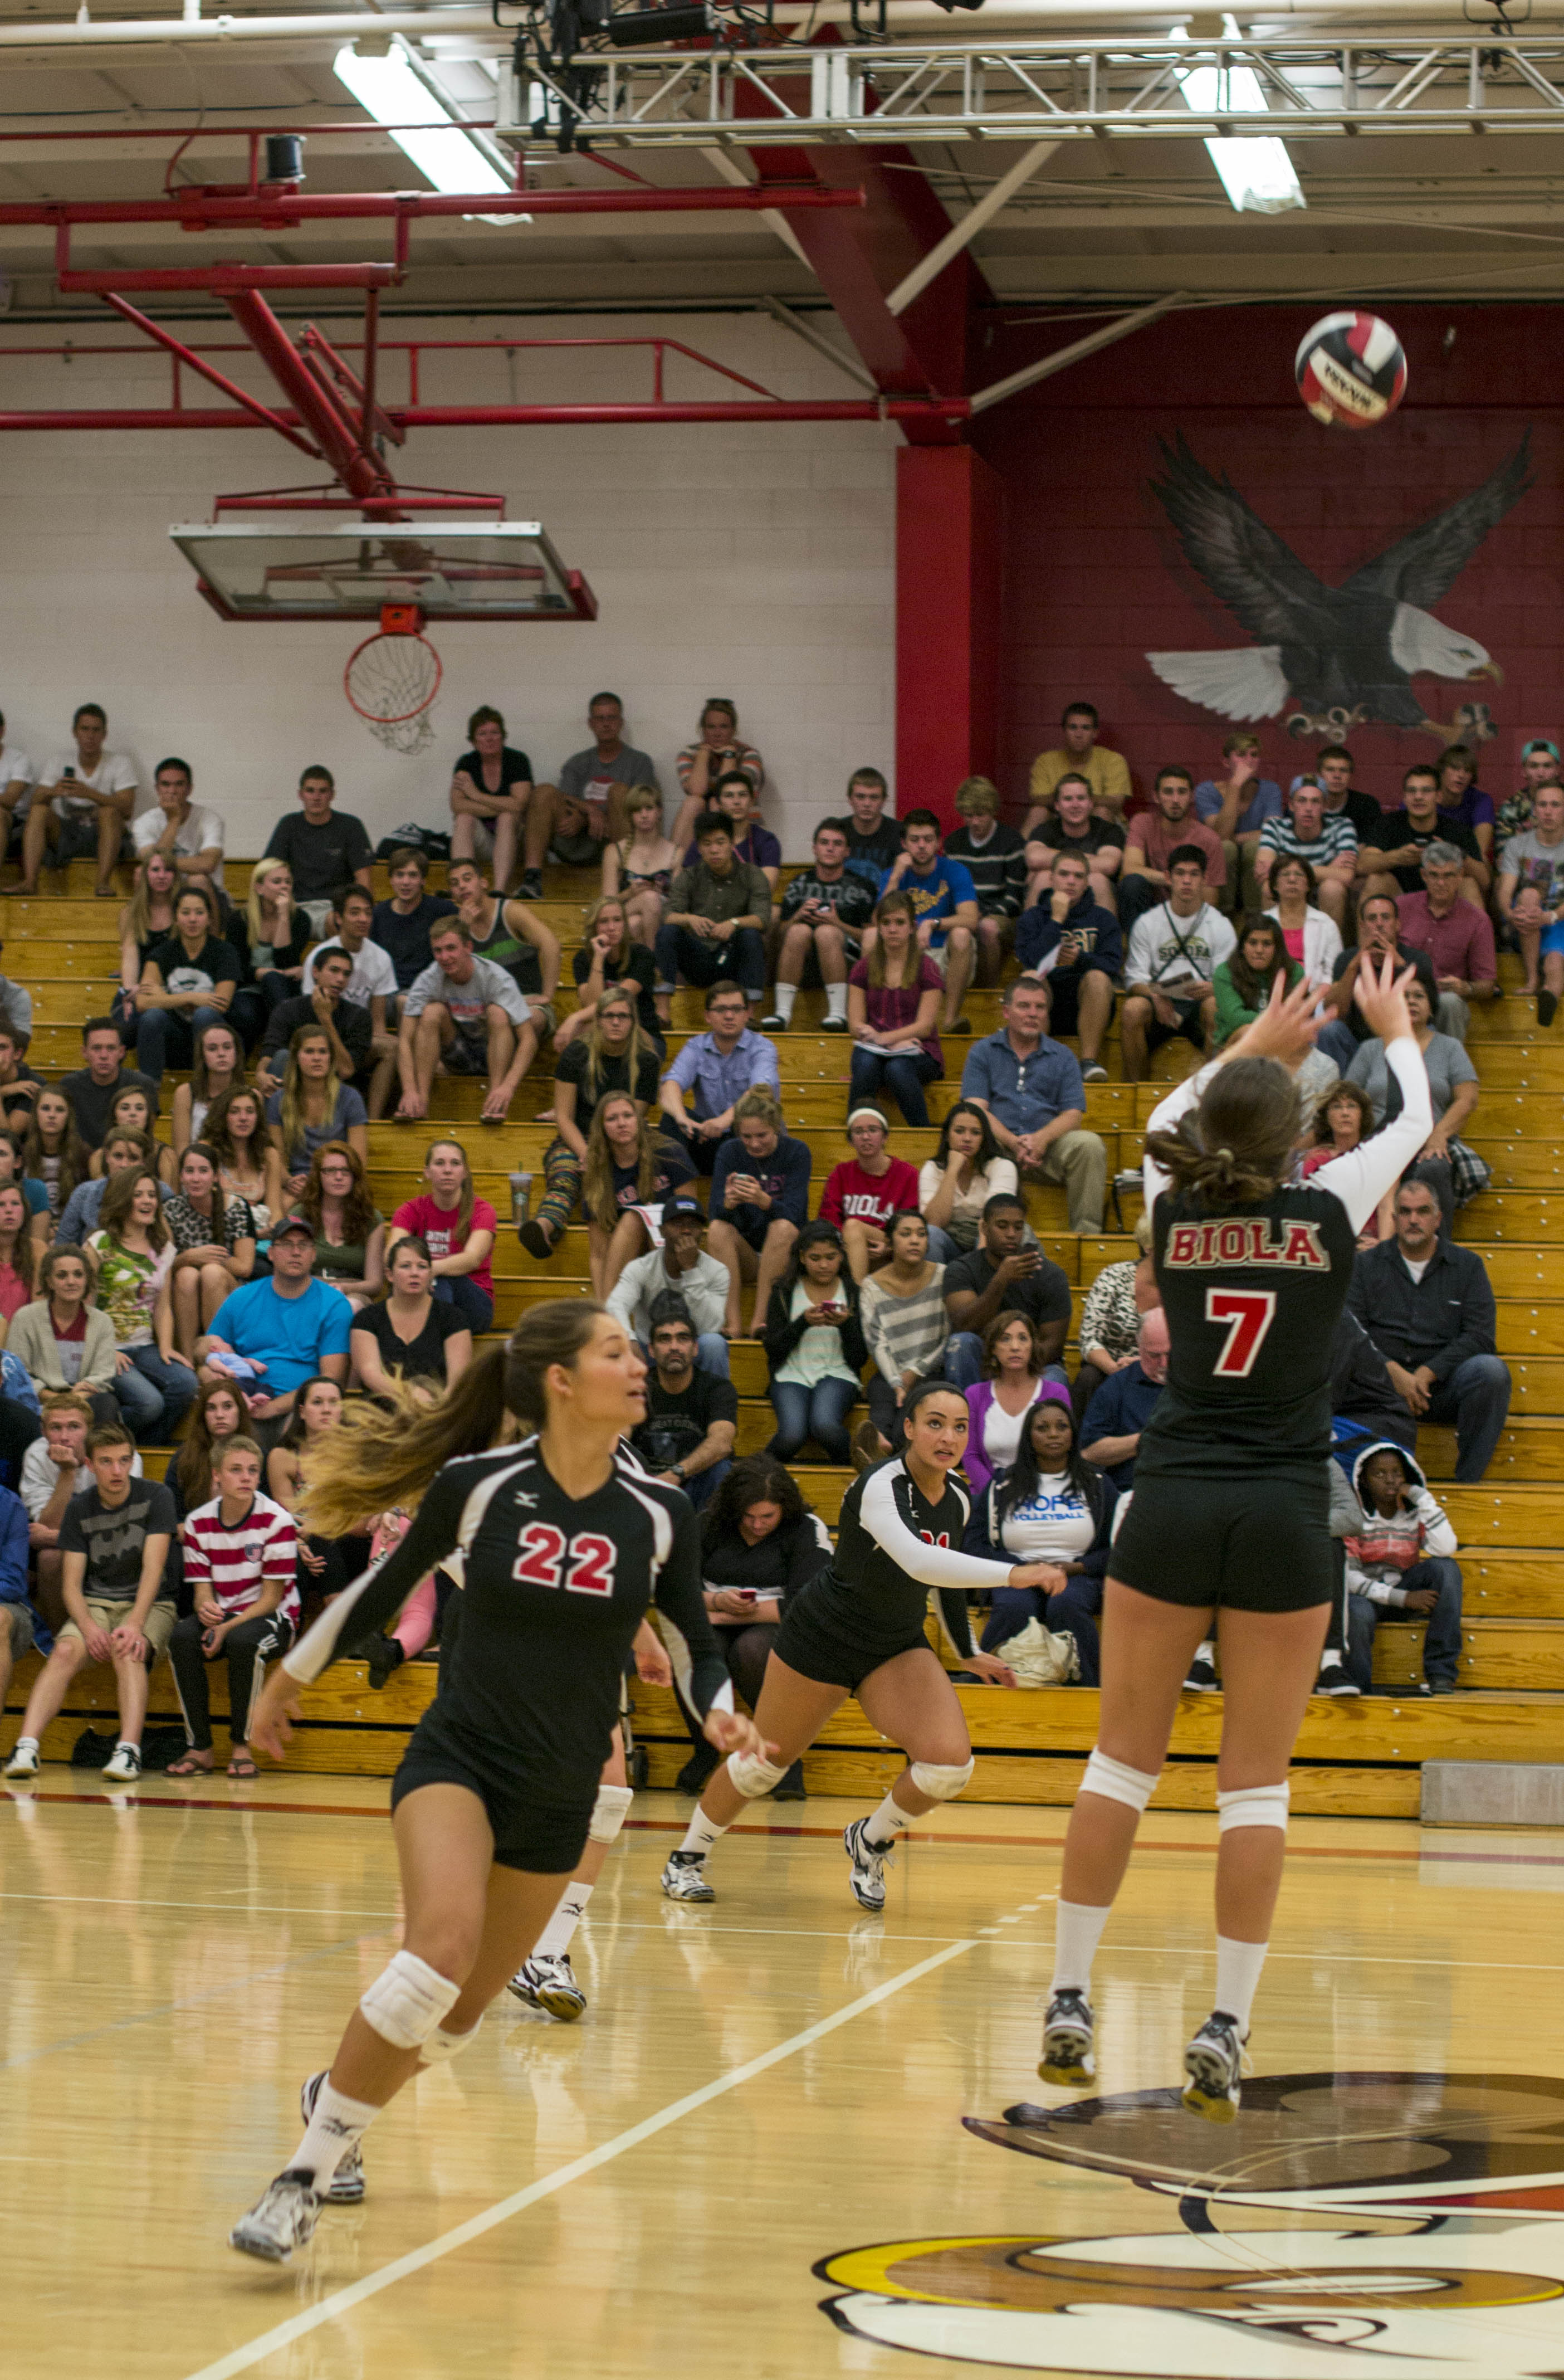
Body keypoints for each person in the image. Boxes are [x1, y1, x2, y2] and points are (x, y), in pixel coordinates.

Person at [227, 1301, 766, 2263]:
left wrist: (716, 1707)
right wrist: (290, 1675)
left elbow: (688, 1636)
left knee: (461, 2013)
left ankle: (333, 2102)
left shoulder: (659, 1511)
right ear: (561, 1380)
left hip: (560, 1793)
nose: (637, 1364)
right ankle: (298, 2179)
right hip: (460, 1760)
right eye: (615, 1351)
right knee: (436, 1947)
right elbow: (377, 1592)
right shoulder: (478, 1486)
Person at [1037, 960, 1429, 2120]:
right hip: (1278, 1516)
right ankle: (1227, 2023)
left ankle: (1068, 1997)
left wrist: (1258, 1036)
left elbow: (1166, 1119)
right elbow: (1408, 1122)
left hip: (1173, 1499)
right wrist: (1395, 1028)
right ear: (1298, 1141)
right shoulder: (1329, 1209)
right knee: (1254, 1786)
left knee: (1122, 1763)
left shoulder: (1176, 1206)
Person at [662, 1378, 1033, 1910]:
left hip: (893, 1643)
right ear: (907, 1428)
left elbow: (943, 1580)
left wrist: (966, 1650)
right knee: (764, 1764)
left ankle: (870, 1839)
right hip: (824, 1636)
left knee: (949, 1765)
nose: (948, 1436)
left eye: (959, 1427)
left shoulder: (957, 1495)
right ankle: (687, 1858)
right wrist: (1014, 1575)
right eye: (934, 1423)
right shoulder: (878, 1485)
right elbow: (919, 1561)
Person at [4, 1419, 176, 1786]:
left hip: (150, 1603)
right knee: (64, 1652)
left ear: (132, 1461)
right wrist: (86, 1626)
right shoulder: (81, 1507)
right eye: (107, 1462)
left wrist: (133, 1623)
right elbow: (70, 1586)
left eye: (124, 1461)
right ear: (90, 1465)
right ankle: (26, 1746)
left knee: (128, 1649)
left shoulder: (156, 1496)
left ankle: (128, 1750)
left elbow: (153, 1569)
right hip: (95, 1601)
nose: (117, 1470)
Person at [670, 1457, 830, 1796]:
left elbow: (809, 1604)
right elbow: (675, 1588)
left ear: (784, 1509)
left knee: (753, 1650)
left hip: (779, 1622)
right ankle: (705, 1746)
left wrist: (727, 1614)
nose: (758, 1525)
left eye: (768, 1517)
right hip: (714, 1610)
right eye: (749, 1517)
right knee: (697, 1650)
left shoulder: (806, 1528)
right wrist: (714, 1603)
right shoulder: (707, 1524)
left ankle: (782, 1756)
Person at [1348, 1177, 1512, 1481]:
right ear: (1394, 1219)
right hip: (1381, 1387)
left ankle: (1469, 1483)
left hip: (1441, 1387)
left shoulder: (1468, 1266)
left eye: (1422, 1211)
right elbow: (1352, 1332)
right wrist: (1394, 1373)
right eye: (1406, 1212)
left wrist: (1426, 1374)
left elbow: (1480, 1336)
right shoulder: (1365, 1266)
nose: (1413, 1220)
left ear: (1438, 1219)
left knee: (1491, 1372)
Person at [167, 1436, 300, 1778]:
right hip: (226, 1613)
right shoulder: (198, 1522)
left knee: (244, 1643)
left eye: (253, 1471)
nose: (246, 1478)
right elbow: (201, 1592)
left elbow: (271, 1600)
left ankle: (242, 1747)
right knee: (181, 1637)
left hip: (272, 1617)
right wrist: (206, 1610)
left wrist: (224, 1628)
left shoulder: (277, 1521)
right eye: (236, 1470)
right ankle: (200, 1747)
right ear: (217, 1476)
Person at [974, 1388, 1118, 1684]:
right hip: (1015, 1574)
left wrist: (1079, 1567)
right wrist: (1019, 1569)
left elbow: (1122, 1547)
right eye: (1043, 1428)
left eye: (1061, 1427)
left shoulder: (1099, 1485)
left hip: (1076, 1575)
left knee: (1066, 1603)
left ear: (1072, 1434)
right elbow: (974, 1544)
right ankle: (983, 1686)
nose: (1053, 1434)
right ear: (1029, 1437)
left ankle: (1090, 1691)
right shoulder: (1002, 1485)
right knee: (1015, 1606)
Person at [961, 974, 1107, 1233]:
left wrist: (1041, 1140)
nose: (1033, 1014)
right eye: (1024, 1006)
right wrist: (1012, 1141)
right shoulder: (983, 1051)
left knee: (1089, 1145)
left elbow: (1073, 1114)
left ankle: (1087, 1236)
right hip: (997, 1148)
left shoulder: (1063, 1056)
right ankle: (973, 1234)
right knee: (966, 1135)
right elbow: (975, 1108)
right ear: (1007, 1012)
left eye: (1040, 1007)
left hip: (1047, 1150)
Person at [524, 988, 661, 1257]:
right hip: (578, 1140)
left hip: (624, 1140)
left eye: (623, 1016)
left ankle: (647, 1240)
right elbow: (563, 1116)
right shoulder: (577, 1053)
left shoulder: (647, 1061)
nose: (616, 1022)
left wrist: (605, 1152)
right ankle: (542, 1226)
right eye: (609, 1015)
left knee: (645, 1169)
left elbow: (633, 1118)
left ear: (633, 1021)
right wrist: (587, 1152)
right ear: (598, 1020)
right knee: (565, 1173)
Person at [197, 1215, 353, 1446]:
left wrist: (273, 1408)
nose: (296, 1252)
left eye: (304, 1246)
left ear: (314, 1255)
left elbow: (332, 1379)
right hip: (245, 1405)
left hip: (299, 1410)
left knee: (314, 1416)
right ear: (270, 1253)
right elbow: (208, 1350)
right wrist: (210, 1374)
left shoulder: (334, 1304)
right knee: (218, 1411)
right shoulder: (242, 1298)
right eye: (287, 1245)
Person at [1347, 973, 1484, 1235]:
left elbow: (1468, 1099)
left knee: (1435, 1166)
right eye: (1403, 996)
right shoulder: (1370, 1050)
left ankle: (1437, 1255)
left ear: (1432, 1007)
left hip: (1428, 1142)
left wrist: (1439, 1136)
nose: (1411, 1002)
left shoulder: (1450, 1048)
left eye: (1419, 996)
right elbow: (1348, 1097)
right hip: (1377, 1141)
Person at [1341, 1439, 1462, 1697]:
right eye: (1380, 1474)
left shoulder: (1414, 1512)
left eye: (1397, 1473)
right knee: (1355, 1609)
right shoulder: (1353, 1515)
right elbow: (1349, 1578)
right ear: (1364, 1480)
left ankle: (1441, 1672)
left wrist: (1422, 1498)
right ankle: (1359, 1687)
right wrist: (1403, 1598)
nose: (1390, 1480)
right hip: (1366, 1600)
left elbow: (1446, 1548)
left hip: (1406, 1589)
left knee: (1446, 1568)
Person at [396, 918, 544, 1128]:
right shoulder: (429, 978)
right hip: (456, 1052)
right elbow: (404, 1039)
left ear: (468, 947)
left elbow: (528, 1039)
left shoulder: (496, 978)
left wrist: (508, 1087)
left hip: (494, 1053)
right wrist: (409, 1090)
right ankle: (420, 1103)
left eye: (451, 949)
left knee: (498, 1013)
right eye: (438, 951)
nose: (445, 957)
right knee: (431, 1012)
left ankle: (494, 1104)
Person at [86, 1169, 197, 1441]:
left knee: (186, 1384)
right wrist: (104, 1350)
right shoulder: (100, 1243)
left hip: (145, 1345)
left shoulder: (163, 1249)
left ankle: (146, 1447)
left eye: (152, 1195)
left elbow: (163, 1306)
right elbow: (84, 1305)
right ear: (124, 1200)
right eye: (139, 1195)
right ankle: (109, 1440)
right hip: (106, 1347)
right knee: (150, 1403)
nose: (147, 1201)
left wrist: (167, 1347)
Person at [18, 1391, 136, 1632]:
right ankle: (59, 1634)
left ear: (90, 1431)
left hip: (119, 1546)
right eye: (56, 1428)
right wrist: (68, 1473)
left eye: (74, 1427)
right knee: (49, 1558)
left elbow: (121, 1529)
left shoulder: (117, 1455)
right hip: (75, 1545)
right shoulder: (36, 1455)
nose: (64, 1437)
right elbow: (49, 1524)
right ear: (43, 1432)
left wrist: (54, 1537)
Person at [1121, 849, 1238, 1084]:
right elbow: (1134, 980)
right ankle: (1135, 1091)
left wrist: (1214, 988)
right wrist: (1155, 995)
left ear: (1205, 880)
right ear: (1168, 877)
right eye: (1180, 873)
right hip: (1160, 1001)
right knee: (1133, 1009)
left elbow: (1227, 979)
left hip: (1198, 1005)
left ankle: (1210, 1092)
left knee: (1216, 1006)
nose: (1187, 881)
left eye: (1194, 874)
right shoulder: (1148, 922)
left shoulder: (1221, 925)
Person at [706, 1087, 811, 1339]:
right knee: (718, 1229)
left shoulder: (797, 1152)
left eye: (762, 1135)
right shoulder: (730, 1152)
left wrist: (765, 1201)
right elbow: (714, 1214)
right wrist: (729, 1204)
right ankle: (732, 1323)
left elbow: (797, 1215)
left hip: (786, 1251)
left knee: (783, 1227)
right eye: (747, 1136)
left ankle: (761, 1322)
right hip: (748, 1255)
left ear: (776, 1127)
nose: (754, 1143)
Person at [943, 1191, 1072, 1391]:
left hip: (1033, 1364)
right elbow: (965, 1325)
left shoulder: (1050, 1274)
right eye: (1002, 1226)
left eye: (1018, 1227)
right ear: (985, 1228)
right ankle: (967, 1417)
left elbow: (1053, 1344)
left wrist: (1013, 1372)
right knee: (962, 1343)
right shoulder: (961, 1269)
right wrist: (1000, 1281)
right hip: (982, 1362)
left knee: (1055, 1380)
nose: (1011, 1234)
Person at [1013, 848, 1121, 1082]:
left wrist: (1081, 959)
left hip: (1090, 1004)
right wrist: (1056, 920)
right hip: (1047, 1002)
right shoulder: (1033, 918)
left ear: (1086, 883)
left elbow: (1113, 966)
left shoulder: (1103, 919)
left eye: (1078, 876)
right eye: (1064, 874)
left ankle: (1088, 1063)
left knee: (1098, 977)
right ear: (1051, 879)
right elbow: (1028, 960)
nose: (1071, 881)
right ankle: (1036, 1061)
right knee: (1031, 977)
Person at [762, 1220, 864, 1465]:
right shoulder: (784, 1291)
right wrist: (803, 1323)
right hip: (791, 1374)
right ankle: (758, 1473)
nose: (824, 1265)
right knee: (791, 1436)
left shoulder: (853, 1292)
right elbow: (772, 1348)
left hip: (838, 1373)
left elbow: (860, 1357)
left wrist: (845, 1325)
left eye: (831, 1257)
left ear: (841, 1256)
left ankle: (859, 1469)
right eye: (815, 1258)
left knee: (825, 1426)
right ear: (802, 1258)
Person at [764, 816, 877, 1033]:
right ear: (815, 848)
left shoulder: (862, 886)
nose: (830, 849)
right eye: (824, 843)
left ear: (847, 851)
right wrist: (797, 916)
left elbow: (870, 938)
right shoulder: (799, 884)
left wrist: (838, 924)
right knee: (798, 930)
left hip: (847, 960)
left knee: (826, 932)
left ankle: (838, 1014)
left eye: (837, 844)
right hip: (802, 960)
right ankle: (783, 1013)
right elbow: (779, 935)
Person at [653, 813, 772, 1021]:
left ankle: (750, 1016)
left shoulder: (752, 874)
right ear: (699, 848)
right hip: (699, 959)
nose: (714, 850)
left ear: (732, 843)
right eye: (707, 844)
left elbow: (762, 918)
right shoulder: (690, 875)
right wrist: (689, 919)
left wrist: (734, 924)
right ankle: (662, 1013)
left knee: (751, 936)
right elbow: (667, 915)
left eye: (720, 842)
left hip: (733, 959)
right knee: (668, 932)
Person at [872, 809, 979, 1037]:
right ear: (904, 844)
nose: (921, 846)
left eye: (928, 840)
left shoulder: (955, 870)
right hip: (906, 952)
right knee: (871, 937)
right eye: (915, 840)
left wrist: (932, 923)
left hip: (945, 953)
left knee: (961, 934)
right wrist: (895, 877)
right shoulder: (893, 874)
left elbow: (971, 919)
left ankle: (950, 1019)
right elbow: (877, 922)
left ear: (939, 843)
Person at [658, 978, 780, 1175]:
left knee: (752, 1123)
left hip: (748, 1141)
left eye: (737, 1009)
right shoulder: (695, 1046)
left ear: (747, 1013)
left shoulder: (763, 1048)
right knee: (671, 1120)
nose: (729, 1016)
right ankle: (680, 1199)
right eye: (721, 1009)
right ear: (708, 1016)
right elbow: (670, 1085)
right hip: (707, 1139)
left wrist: (724, 1121)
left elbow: (761, 1092)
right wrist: (683, 1119)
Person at [605, 1196, 735, 1380]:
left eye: (693, 1225)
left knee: (714, 1343)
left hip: (692, 1350)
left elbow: (710, 1327)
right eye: (678, 1224)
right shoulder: (641, 1268)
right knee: (617, 1345)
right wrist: (629, 1339)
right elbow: (615, 1305)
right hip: (649, 1350)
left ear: (702, 1232)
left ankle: (717, 1405)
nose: (686, 1231)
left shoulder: (717, 1271)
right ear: (661, 1231)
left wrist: (691, 1271)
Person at [580, 1092, 694, 1300]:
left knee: (652, 1219)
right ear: (602, 1128)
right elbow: (597, 1253)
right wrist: (600, 1300)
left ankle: (668, 1311)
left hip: (675, 1248)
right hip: (626, 1253)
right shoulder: (597, 1172)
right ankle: (610, 1313)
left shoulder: (669, 1152)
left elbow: (692, 1218)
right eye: (612, 1119)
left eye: (628, 1116)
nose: (621, 1124)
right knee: (633, 1219)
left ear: (639, 1121)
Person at [266, 1374, 364, 1612]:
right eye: (318, 1402)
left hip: (352, 1543)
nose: (327, 1410)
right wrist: (300, 1540)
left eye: (334, 1402)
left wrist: (316, 1528)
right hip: (306, 1543)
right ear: (301, 1411)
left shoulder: (357, 1455)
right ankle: (335, 1617)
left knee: (320, 1540)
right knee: (300, 1552)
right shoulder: (282, 1458)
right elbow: (289, 1519)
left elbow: (363, 1523)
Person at [630, 1294, 738, 1510]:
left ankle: (707, 1540)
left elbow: (722, 1442)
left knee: (722, 1470)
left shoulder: (717, 1388)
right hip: (645, 1483)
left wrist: (677, 1473)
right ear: (651, 1350)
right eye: (664, 1339)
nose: (674, 1347)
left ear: (695, 1348)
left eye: (683, 1339)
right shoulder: (637, 1388)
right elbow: (617, 1439)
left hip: (695, 1481)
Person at [845, 890, 944, 1127]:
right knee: (868, 1065)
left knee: (898, 1068)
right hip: (872, 1048)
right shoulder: (863, 967)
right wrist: (881, 1041)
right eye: (886, 923)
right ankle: (854, 1132)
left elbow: (924, 1027)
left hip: (920, 1050)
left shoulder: (927, 967)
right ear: (878, 927)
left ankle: (922, 1134)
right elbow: (855, 1024)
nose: (892, 929)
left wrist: (887, 1039)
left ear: (912, 927)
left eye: (900, 923)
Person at [300, 882, 399, 1115]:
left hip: (359, 1039)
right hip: (323, 1033)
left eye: (367, 913)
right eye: (355, 912)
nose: (363, 919)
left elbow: (378, 1025)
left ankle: (373, 1121)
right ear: (338, 918)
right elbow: (309, 1013)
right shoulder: (318, 957)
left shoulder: (381, 958)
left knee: (393, 1047)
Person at [857, 1209, 949, 1459]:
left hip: (931, 1373)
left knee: (904, 1429)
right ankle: (873, 1449)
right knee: (881, 1404)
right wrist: (898, 1381)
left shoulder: (943, 1277)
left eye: (921, 1234)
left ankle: (887, 1451)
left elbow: (948, 1338)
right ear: (890, 1242)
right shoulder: (871, 1287)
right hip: (890, 1372)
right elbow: (876, 1342)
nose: (915, 1240)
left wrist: (916, 1372)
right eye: (905, 1234)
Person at [130, 881, 241, 1086]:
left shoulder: (225, 952)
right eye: (186, 912)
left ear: (209, 918)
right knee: (152, 1017)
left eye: (199, 913)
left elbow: (221, 1004)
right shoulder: (162, 953)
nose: (192, 919)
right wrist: (192, 997)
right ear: (176, 918)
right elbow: (143, 1003)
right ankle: (149, 1090)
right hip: (172, 1038)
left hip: (212, 1038)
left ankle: (207, 1085)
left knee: (204, 1014)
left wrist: (164, 996)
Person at [21, 701, 135, 899]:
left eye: (96, 730)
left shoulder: (120, 763)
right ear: (75, 732)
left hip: (104, 835)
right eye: (85, 729)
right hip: (67, 834)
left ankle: (102, 882)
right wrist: (53, 792)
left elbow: (127, 810)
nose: (90, 736)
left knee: (109, 811)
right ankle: (30, 882)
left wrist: (90, 794)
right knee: (40, 810)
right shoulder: (59, 760)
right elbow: (34, 801)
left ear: (104, 734)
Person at [1316, 893, 1443, 1070]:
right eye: (1372, 918)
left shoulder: (1417, 959)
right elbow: (1335, 1011)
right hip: (1357, 1044)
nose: (1379, 924)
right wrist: (1354, 966)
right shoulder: (1347, 959)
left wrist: (1398, 963)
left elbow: (1427, 1009)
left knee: (1429, 1028)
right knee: (1330, 1030)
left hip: (1401, 1039)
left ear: (1398, 925)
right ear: (1362, 926)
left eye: (1385, 917)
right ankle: (1342, 1094)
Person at [388, 1139, 497, 1335]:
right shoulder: (410, 1210)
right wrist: (423, 1274)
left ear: (464, 1173)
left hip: (473, 1305)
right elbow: (392, 1254)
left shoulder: (482, 1210)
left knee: (442, 1281)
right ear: (427, 1172)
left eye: (455, 1163)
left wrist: (428, 1270)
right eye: (440, 1163)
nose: (448, 1170)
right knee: (433, 1285)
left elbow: (472, 1258)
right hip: (420, 1294)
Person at [351, 1235, 473, 1401]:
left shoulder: (453, 1317)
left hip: (436, 1412)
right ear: (390, 1275)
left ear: (430, 1274)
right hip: (380, 1414)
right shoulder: (367, 1319)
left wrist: (434, 1409)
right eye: (406, 1266)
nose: (414, 1273)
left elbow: (457, 1382)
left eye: (422, 1267)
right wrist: (412, 1397)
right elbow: (370, 1374)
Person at [1396, 842, 1498, 1040]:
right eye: (1434, 875)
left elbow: (1486, 985)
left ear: (1460, 876)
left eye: (1448, 875)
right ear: (1424, 876)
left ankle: (1447, 1067)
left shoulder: (1478, 920)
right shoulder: (1400, 907)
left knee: (1450, 1002)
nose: (1441, 883)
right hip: (1401, 993)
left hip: (1443, 999)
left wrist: (1466, 988)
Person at [553, 690, 661, 876]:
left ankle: (626, 874)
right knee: (544, 792)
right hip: (578, 841)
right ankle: (533, 878)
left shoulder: (640, 762)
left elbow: (644, 809)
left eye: (611, 718)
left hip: (620, 841)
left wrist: (590, 817)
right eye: (600, 718)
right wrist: (588, 811)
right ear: (591, 724)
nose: (606, 724)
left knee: (619, 791)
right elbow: (564, 798)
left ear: (621, 722)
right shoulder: (577, 762)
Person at [165, 1140, 258, 1354]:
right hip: (185, 1289)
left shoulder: (235, 1206)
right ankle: (189, 1359)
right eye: (189, 1171)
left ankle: (216, 1355)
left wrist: (207, 1257)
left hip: (231, 1288)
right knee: (187, 1274)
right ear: (180, 1176)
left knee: (211, 1272)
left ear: (216, 1176)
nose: (196, 1178)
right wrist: (188, 1258)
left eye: (203, 1171)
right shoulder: (171, 1209)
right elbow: (164, 1267)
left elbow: (245, 1267)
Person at [6, 1245, 119, 1419]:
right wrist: (57, 1399)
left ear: (87, 1279)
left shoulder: (103, 1322)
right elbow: (18, 1375)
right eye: (62, 1275)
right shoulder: (25, 1318)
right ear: (49, 1281)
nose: (71, 1282)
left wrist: (75, 1398)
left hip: (83, 1399)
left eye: (78, 1274)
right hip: (39, 1400)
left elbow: (102, 1375)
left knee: (107, 1402)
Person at [1357, 763, 1487, 910]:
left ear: (1438, 796)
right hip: (1401, 900)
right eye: (1412, 791)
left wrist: (1456, 855)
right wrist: (1397, 857)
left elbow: (1485, 881)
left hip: (1446, 900)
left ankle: (1478, 933)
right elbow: (1362, 865)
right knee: (1376, 880)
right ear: (1405, 797)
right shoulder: (1388, 823)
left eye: (1426, 791)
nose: (1418, 797)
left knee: (1468, 884)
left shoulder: (1457, 830)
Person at [256, 947, 374, 1105]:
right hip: (294, 1084)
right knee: (282, 1057)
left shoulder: (360, 1016)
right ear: (316, 972)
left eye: (346, 974)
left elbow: (346, 1071)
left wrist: (325, 1019)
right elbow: (271, 1052)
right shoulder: (288, 1009)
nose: (340, 979)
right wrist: (261, 1072)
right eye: (334, 971)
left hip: (333, 1089)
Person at [1118, 766, 1228, 933]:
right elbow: (1130, 869)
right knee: (1132, 884)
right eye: (1168, 792)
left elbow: (1210, 903)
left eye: (1182, 792)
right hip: (1150, 911)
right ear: (1156, 797)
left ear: (1191, 797)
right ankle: (1138, 951)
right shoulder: (1143, 823)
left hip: (1188, 913)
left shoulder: (1209, 839)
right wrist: (1174, 879)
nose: (1175, 800)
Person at [962, 1309, 1054, 1504]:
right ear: (993, 1348)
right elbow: (970, 1455)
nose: (1015, 1347)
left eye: (1023, 1339)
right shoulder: (975, 1395)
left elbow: (1059, 1453)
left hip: (1041, 1496)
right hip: (988, 1495)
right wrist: (996, 1494)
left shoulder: (1055, 1393)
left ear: (1033, 1346)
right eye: (1005, 1339)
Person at [268, 1024, 369, 1202]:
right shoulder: (278, 1100)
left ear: (330, 1058)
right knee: (283, 1206)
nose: (317, 1058)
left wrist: (322, 1184)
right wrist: (289, 1181)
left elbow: (357, 1161)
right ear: (296, 1058)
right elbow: (277, 1157)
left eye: (323, 1052)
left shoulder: (350, 1098)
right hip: (296, 1184)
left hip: (337, 1181)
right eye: (309, 1052)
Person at [819, 1106, 919, 1285]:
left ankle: (855, 1298)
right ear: (851, 1140)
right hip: (847, 1247)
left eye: (873, 1130)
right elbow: (829, 1219)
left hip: (891, 1246)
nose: (866, 1137)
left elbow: (910, 1222)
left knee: (853, 1226)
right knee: (849, 1230)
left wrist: (890, 1246)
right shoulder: (841, 1173)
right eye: (859, 1132)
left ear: (885, 1137)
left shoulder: (907, 1174)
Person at [263, 766, 373, 925]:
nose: (316, 797)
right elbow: (269, 872)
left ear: (332, 795)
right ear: (301, 795)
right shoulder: (288, 825)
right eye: (310, 791)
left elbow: (364, 880)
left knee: (337, 923)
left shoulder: (351, 826)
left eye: (323, 791)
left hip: (335, 908)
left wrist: (362, 914)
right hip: (295, 907)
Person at [945, 777, 1028, 984]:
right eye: (968, 816)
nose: (974, 822)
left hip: (1001, 917)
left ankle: (987, 992)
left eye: (980, 815)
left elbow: (1015, 899)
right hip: (965, 912)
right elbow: (947, 891)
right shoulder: (954, 843)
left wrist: (984, 914)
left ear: (993, 811)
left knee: (987, 928)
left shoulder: (1011, 842)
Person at [556, 890, 659, 1052]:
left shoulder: (641, 955)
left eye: (617, 920)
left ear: (624, 924)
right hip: (603, 1030)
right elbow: (592, 1005)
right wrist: (598, 957)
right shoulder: (583, 959)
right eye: (604, 922)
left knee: (586, 1028)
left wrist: (574, 1017)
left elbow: (617, 1002)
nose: (611, 928)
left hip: (643, 1033)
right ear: (595, 927)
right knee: (582, 1034)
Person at [1074, 1210, 1155, 1416]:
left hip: (1162, 1367)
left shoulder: (1183, 1284)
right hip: (1112, 1368)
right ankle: (1083, 1446)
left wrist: (1142, 1363)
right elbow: (1090, 1338)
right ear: (1148, 1247)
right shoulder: (1114, 1276)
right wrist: (1114, 1369)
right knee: (1088, 1378)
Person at [1081, 1307, 1171, 1490]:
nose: (1164, 1364)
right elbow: (1090, 1452)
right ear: (1139, 1346)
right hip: (1132, 1491)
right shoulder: (1118, 1386)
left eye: (1170, 1354)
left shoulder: (1195, 1385)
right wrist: (1147, 1441)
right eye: (1154, 1355)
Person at [918, 1099, 1018, 1263]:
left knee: (994, 1233)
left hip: (987, 1240)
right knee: (931, 1235)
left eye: (975, 1133)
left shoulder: (1002, 1166)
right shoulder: (933, 1168)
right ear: (947, 1136)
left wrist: (976, 1272)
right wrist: (952, 1170)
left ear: (984, 1138)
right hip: (950, 1241)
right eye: (959, 1131)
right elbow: (934, 1223)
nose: (967, 1139)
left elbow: (996, 1218)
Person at [1495, 781, 1564, 1016]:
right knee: (1528, 894)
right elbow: (1505, 891)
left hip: (1559, 920)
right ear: (1534, 810)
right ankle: (1532, 979)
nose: (1548, 811)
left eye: (1556, 805)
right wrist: (1510, 914)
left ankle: (1549, 997)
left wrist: (1551, 916)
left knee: (1555, 962)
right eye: (1542, 805)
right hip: (1526, 922)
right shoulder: (1517, 845)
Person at [229, 859, 316, 1042]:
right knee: (247, 1016)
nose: (284, 887)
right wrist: (266, 973)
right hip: (249, 988)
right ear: (259, 888)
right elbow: (237, 967)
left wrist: (284, 918)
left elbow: (286, 961)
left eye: (288, 882)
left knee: (274, 984)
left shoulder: (300, 919)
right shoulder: (239, 920)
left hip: (285, 989)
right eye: (276, 882)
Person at [447, 706, 532, 893]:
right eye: (482, 734)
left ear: (503, 736)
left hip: (515, 841)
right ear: (473, 741)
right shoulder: (466, 763)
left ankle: (499, 890)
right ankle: (463, 886)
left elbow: (519, 805)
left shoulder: (517, 760)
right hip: (483, 841)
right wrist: (503, 805)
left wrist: (476, 795)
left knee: (507, 818)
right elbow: (458, 806)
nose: (490, 738)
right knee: (464, 819)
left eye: (495, 733)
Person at [1302, 1083, 1395, 1246]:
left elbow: (1387, 1206)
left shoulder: (1380, 1156)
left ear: (1362, 1114)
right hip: (1331, 1243)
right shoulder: (1316, 1159)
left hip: (1372, 1242)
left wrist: (1383, 1247)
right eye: (1337, 1107)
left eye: (1352, 1106)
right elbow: (1316, 1212)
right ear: (1327, 1117)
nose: (1345, 1113)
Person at [297, 1141, 384, 1315]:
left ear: (355, 1177)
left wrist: (342, 1288)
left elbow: (375, 1284)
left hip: (356, 1294)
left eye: (346, 1171)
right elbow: (291, 1271)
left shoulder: (371, 1219)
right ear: (318, 1176)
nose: (339, 1177)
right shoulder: (300, 1215)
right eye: (330, 1170)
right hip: (309, 1290)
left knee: (347, 1307)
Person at [1255, 780, 1357, 928]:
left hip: (1325, 896)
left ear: (1324, 807)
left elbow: (1347, 876)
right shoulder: (1275, 827)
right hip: (1289, 890)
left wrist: (1286, 872)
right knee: (1269, 888)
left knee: (1332, 888)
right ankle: (1277, 945)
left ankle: (1331, 949)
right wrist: (1329, 870)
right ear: (1291, 805)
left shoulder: (1342, 826)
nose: (1308, 808)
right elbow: (1265, 873)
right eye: (1302, 801)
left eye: (1315, 802)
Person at [1023, 772, 1126, 916]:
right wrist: (1089, 860)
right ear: (1057, 806)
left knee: (1098, 879)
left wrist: (1059, 866)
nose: (1075, 805)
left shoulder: (1108, 830)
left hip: (1095, 895)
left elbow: (1109, 865)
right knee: (1042, 878)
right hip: (1053, 897)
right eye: (1068, 799)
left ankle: (1105, 938)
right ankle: (1032, 938)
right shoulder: (1047, 829)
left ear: (1091, 804)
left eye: (1081, 798)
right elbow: (1034, 859)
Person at [1194, 734, 1282, 903]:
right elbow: (1221, 836)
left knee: (1254, 846)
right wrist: (1235, 785)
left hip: (1258, 865)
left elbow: (1273, 833)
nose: (1249, 760)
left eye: (1254, 755)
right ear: (1227, 762)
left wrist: (1237, 838)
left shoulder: (1270, 789)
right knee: (1226, 847)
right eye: (1241, 755)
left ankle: (1255, 916)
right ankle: (1226, 915)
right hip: (1220, 867)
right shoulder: (1206, 791)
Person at [671, 696, 764, 851]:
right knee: (693, 803)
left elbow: (729, 790)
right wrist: (703, 754)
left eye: (724, 727)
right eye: (711, 727)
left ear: (733, 730)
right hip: (700, 830)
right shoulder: (689, 753)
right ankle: (672, 867)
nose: (717, 733)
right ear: (703, 730)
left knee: (717, 803)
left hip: (743, 826)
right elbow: (696, 790)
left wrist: (729, 755)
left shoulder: (749, 755)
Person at [56, 1125, 172, 1247]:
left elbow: (170, 1246)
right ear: (107, 1156)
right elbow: (63, 1246)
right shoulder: (85, 1193)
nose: (124, 1165)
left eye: (133, 1158)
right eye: (118, 1156)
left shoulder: (162, 1193)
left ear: (143, 1162)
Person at [1025, 700, 1131, 827]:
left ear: (1095, 733)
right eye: (1073, 727)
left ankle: (1103, 848)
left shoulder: (1113, 760)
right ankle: (1022, 848)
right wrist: (1081, 800)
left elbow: (1115, 802)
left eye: (1086, 728)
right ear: (1064, 731)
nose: (1079, 734)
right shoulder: (1046, 761)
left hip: (1104, 823)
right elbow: (1038, 799)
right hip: (1058, 819)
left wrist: (1071, 798)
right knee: (1038, 812)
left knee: (1101, 811)